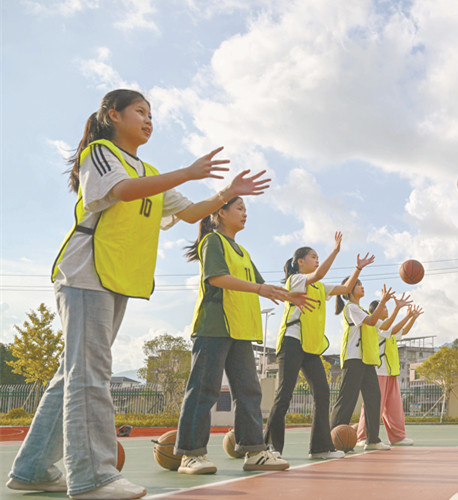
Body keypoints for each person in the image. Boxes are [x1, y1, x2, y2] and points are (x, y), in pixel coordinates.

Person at [6, 89, 266, 500]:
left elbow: (190, 214)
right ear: (113, 115)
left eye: (151, 114)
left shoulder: (149, 171)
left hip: (117, 278)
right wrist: (188, 171)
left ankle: (33, 468)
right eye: (140, 111)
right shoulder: (103, 152)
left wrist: (223, 193)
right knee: (90, 374)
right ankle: (93, 477)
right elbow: (124, 191)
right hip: (85, 273)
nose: (148, 120)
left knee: (71, 375)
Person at [174, 197, 314, 475]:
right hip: (214, 325)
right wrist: (260, 290)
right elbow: (216, 278)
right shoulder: (213, 242)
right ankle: (191, 454)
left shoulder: (242, 252)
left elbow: (262, 286)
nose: (245, 214)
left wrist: (289, 295)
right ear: (221, 213)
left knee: (249, 392)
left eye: (246, 210)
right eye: (239, 208)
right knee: (204, 390)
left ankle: (254, 451)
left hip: (241, 330)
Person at [263, 236, 375, 459]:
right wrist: (335, 251)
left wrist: (357, 269)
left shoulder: (320, 288)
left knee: (322, 394)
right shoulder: (295, 280)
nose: (316, 260)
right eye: (313, 256)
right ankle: (271, 447)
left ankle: (320, 448)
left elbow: (345, 287)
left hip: (311, 348)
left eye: (318, 257)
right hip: (292, 341)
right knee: (284, 394)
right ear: (300, 262)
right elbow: (320, 273)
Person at [331, 281, 395, 451]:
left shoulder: (362, 310)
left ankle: (372, 439)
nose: (362, 286)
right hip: (353, 359)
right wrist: (382, 301)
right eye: (358, 284)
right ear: (350, 289)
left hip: (366, 360)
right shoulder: (351, 308)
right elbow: (373, 321)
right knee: (347, 400)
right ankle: (332, 439)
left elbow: (385, 325)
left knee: (374, 399)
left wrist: (395, 308)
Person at [357, 303, 421, 446]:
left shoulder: (389, 326)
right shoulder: (376, 325)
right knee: (373, 406)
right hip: (378, 370)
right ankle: (362, 436)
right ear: (376, 311)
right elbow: (394, 329)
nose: (386, 309)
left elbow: (402, 331)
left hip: (391, 371)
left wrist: (411, 318)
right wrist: (407, 316)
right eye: (384, 307)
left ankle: (398, 437)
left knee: (394, 407)